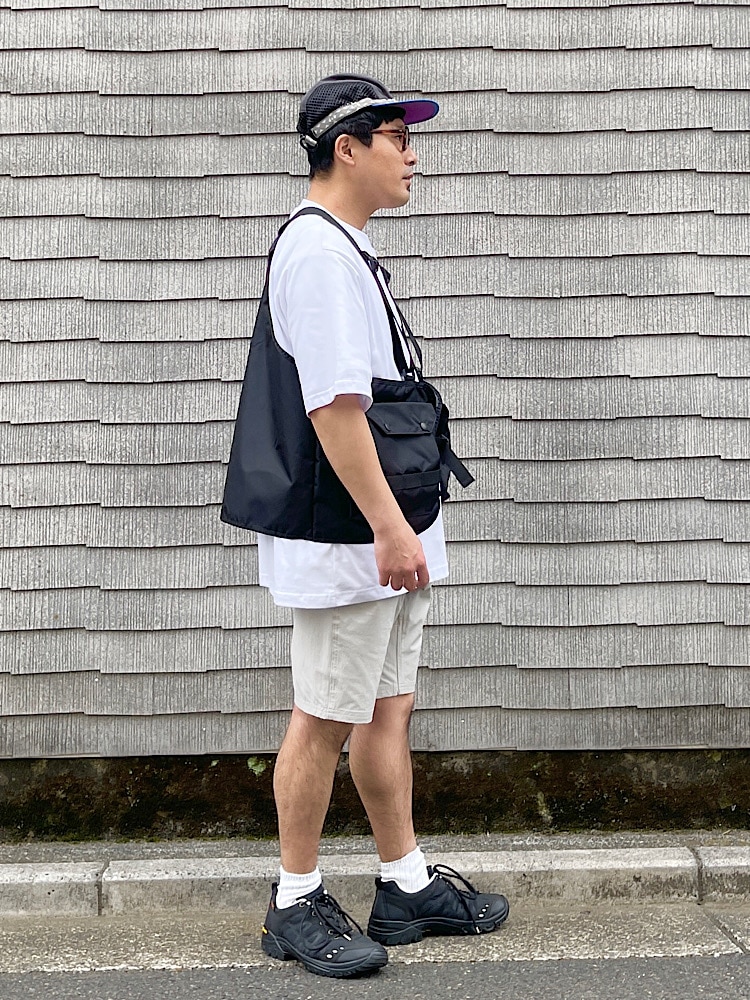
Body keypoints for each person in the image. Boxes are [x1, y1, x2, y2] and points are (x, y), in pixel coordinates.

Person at [222, 73, 509, 979]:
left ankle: (405, 882)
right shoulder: (316, 254)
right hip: (351, 537)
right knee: (322, 718)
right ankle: (293, 899)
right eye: (397, 138)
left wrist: (402, 527)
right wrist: (390, 528)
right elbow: (335, 408)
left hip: (386, 531)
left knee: (388, 708)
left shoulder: (347, 247)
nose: (412, 156)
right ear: (346, 148)